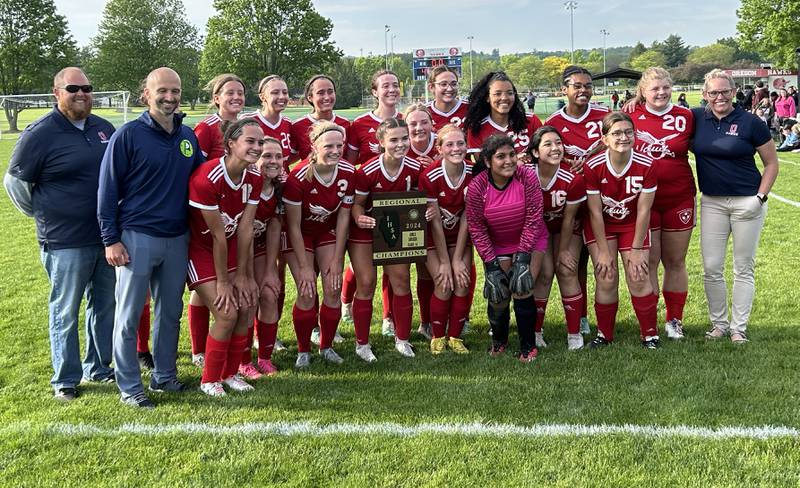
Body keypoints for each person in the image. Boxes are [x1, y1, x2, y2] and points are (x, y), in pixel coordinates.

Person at [4, 67, 116, 401]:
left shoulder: (104, 128)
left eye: (87, 87)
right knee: (65, 310)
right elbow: (16, 184)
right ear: (56, 93)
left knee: (104, 305)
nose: (81, 93)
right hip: (65, 240)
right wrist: (45, 214)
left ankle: (98, 367)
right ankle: (65, 379)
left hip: (106, 237)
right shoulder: (40, 133)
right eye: (73, 88)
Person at [98, 67, 204, 408]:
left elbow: (204, 180)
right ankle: (130, 386)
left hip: (177, 238)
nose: (170, 97)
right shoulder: (128, 135)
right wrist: (110, 239)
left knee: (170, 312)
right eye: (162, 91)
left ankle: (164, 376)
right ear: (146, 93)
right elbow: (106, 190)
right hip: (136, 237)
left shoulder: (188, 137)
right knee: (128, 315)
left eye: (175, 90)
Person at [692, 69, 779, 343]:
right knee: (712, 267)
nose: (720, 97)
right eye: (714, 92)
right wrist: (636, 99)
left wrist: (760, 198)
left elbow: (772, 164)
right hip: (712, 203)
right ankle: (719, 324)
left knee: (743, 267)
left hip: (747, 202)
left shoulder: (751, 122)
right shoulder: (696, 118)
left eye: (725, 91)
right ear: (705, 94)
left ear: (733, 92)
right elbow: (662, 108)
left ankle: (738, 327)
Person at [188, 119, 262, 397]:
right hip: (201, 249)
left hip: (229, 246)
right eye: (250, 141)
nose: (256, 147)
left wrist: (244, 275)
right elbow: (217, 235)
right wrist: (223, 282)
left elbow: (245, 229)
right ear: (231, 144)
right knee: (226, 311)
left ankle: (230, 374)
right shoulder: (207, 178)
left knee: (245, 305)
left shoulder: (254, 178)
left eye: (260, 142)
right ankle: (209, 379)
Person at [582, 112, 660, 349]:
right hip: (602, 225)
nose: (623, 137)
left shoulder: (648, 164)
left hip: (632, 223)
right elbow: (595, 212)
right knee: (606, 276)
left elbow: (645, 210)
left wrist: (637, 248)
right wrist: (603, 251)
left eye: (628, 132)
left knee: (638, 274)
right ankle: (604, 334)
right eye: (616, 133)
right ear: (604, 139)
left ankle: (650, 334)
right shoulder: (593, 166)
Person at [466, 135, 546, 362]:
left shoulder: (527, 177)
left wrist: (522, 260)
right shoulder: (477, 187)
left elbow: (534, 218)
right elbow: (477, 228)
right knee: (499, 293)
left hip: (530, 239)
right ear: (488, 162)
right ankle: (499, 340)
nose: (509, 161)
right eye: (501, 157)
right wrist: (491, 265)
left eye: (512, 155)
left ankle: (528, 346)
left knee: (522, 286)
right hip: (497, 243)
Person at [629, 67, 695, 339]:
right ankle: (651, 321)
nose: (661, 93)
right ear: (643, 91)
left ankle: (674, 320)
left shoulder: (687, 116)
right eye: (654, 88)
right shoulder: (630, 115)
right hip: (644, 200)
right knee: (650, 260)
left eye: (665, 87)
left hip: (679, 196)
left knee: (675, 260)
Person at [282, 122, 355, 368]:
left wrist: (337, 259)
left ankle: (326, 346)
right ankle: (303, 350)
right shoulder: (298, 176)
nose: (335, 150)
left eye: (339, 145)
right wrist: (304, 266)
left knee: (333, 286)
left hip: (326, 231)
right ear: (314, 146)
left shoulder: (347, 172)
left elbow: (344, 216)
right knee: (306, 289)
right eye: (329, 146)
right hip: (300, 233)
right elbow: (292, 225)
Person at [544, 65, 610, 335]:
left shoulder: (605, 116)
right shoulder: (553, 123)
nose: (583, 91)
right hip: (567, 204)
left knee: (595, 260)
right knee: (572, 261)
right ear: (565, 89)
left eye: (587, 86)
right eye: (577, 86)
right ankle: (580, 316)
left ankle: (599, 316)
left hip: (600, 199)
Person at [188, 73, 247, 369]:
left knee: (226, 295)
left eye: (240, 93)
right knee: (206, 291)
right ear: (216, 98)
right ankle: (200, 350)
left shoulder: (248, 126)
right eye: (230, 93)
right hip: (207, 215)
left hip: (235, 215)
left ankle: (225, 357)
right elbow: (194, 171)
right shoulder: (206, 128)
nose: (236, 98)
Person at [350, 118, 421, 361]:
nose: (401, 144)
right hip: (367, 230)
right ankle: (362, 343)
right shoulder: (367, 171)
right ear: (381, 142)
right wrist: (360, 219)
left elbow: (419, 202)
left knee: (401, 280)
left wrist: (427, 210)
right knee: (367, 282)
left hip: (395, 229)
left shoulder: (414, 167)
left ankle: (402, 339)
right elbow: (357, 206)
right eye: (394, 140)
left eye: (404, 138)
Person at [341, 70, 402, 334]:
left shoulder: (406, 121)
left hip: (397, 204)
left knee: (394, 264)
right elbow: (350, 163)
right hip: (366, 203)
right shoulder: (359, 125)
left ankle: (388, 318)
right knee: (361, 266)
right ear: (375, 92)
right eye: (385, 86)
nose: (391, 89)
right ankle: (346, 300)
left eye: (395, 85)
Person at [527, 126, 587, 350]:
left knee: (566, 268)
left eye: (559, 143)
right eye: (548, 144)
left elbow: (569, 219)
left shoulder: (572, 179)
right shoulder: (525, 176)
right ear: (535, 152)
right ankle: (536, 331)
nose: (555, 148)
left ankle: (574, 333)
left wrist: (563, 251)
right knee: (543, 273)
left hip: (566, 228)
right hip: (537, 229)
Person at [419, 124, 473, 354]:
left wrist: (458, 258)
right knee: (444, 281)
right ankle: (438, 336)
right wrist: (444, 261)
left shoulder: (473, 172)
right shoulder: (429, 175)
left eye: (460, 143)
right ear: (439, 148)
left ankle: (455, 337)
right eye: (449, 144)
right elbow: (435, 222)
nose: (456, 148)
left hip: (460, 237)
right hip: (434, 237)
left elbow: (467, 217)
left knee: (462, 282)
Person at [248, 138, 284, 376]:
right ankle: (242, 360)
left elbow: (273, 227)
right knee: (247, 300)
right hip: (235, 248)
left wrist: (271, 270)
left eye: (278, 156)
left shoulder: (280, 186)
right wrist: (246, 275)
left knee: (270, 293)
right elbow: (241, 233)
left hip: (259, 244)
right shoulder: (246, 183)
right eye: (267, 156)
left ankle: (265, 357)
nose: (273, 161)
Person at [464, 71, 542, 165]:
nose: (504, 98)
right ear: (487, 97)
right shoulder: (476, 127)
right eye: (497, 94)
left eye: (509, 93)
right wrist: (515, 160)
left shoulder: (531, 120)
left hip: (532, 178)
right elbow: (484, 166)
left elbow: (543, 155)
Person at [290, 74, 352, 161]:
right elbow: (289, 158)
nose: (327, 97)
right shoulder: (298, 126)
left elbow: (350, 158)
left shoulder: (345, 124)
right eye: (320, 93)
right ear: (310, 97)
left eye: (330, 92)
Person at [248, 75, 294, 170]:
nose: (282, 96)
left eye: (285, 92)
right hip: (256, 182)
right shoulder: (248, 121)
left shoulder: (288, 123)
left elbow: (291, 156)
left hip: (282, 182)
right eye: (275, 92)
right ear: (262, 97)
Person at [427, 66, 469, 131]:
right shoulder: (425, 112)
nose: (449, 89)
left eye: (454, 84)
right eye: (443, 84)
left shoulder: (470, 108)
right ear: (431, 87)